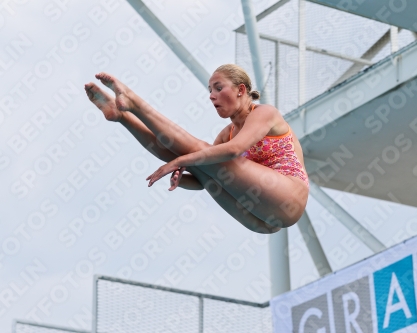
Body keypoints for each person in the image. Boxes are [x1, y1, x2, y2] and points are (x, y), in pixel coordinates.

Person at [84, 64, 309, 234]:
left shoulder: (264, 113)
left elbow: (235, 149)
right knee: (196, 159)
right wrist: (179, 177)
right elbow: (202, 182)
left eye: (218, 88)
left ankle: (134, 102)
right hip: (261, 221)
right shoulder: (225, 134)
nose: (212, 96)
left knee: (195, 153)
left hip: (289, 198)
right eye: (210, 90)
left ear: (241, 90)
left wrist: (180, 161)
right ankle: (123, 116)